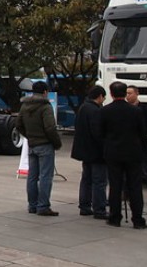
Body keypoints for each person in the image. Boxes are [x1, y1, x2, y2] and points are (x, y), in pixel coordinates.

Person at [100, 81, 147, 228]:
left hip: (113, 153)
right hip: (133, 153)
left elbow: (101, 133)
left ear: (111, 93)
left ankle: (115, 218)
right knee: (135, 186)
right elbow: (143, 133)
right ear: (124, 93)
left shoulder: (105, 111)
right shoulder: (136, 111)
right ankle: (138, 220)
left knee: (115, 186)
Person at [16, 80, 63, 216]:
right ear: (45, 92)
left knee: (32, 176)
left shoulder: (25, 105)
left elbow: (18, 124)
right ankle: (43, 206)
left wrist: (29, 136)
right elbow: (50, 128)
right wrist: (56, 143)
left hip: (32, 144)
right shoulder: (45, 106)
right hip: (45, 145)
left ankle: (32, 205)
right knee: (45, 177)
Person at [71, 86, 108, 219]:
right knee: (99, 181)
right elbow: (98, 132)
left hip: (84, 151)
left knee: (86, 179)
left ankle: (85, 206)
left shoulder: (83, 108)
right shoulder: (95, 110)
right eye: (103, 97)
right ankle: (99, 209)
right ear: (100, 96)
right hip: (96, 152)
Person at [126, 85, 147, 191]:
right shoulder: (124, 109)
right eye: (126, 93)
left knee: (145, 170)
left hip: (141, 144)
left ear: (137, 93)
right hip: (127, 146)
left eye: (130, 93)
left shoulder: (144, 109)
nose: (127, 96)